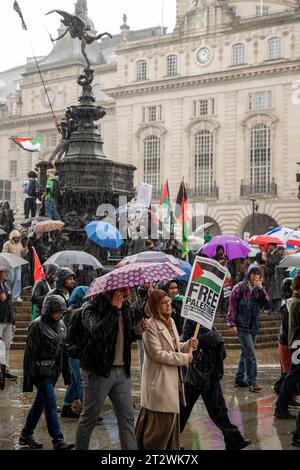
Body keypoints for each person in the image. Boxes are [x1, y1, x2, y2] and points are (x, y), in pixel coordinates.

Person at [75, 287, 147, 450]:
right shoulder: (90, 307)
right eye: (124, 290)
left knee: (127, 419)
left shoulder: (125, 307)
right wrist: (114, 309)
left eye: (129, 290)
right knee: (89, 419)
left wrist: (136, 331)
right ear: (112, 291)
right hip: (98, 371)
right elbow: (98, 332)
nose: (128, 294)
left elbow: (124, 336)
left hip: (122, 372)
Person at [135, 289, 197, 450]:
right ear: (155, 305)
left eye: (169, 302)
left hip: (172, 383)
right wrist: (184, 359)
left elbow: (174, 347)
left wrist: (187, 345)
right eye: (164, 303)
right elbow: (157, 354)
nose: (168, 305)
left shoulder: (171, 322)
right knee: (158, 430)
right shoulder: (149, 325)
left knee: (170, 428)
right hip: (159, 384)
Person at [180, 319, 251, 450]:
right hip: (195, 373)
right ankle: (169, 440)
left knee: (218, 409)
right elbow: (187, 341)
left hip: (210, 373)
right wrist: (211, 337)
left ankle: (233, 439)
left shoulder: (206, 321)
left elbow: (218, 341)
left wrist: (214, 338)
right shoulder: (190, 321)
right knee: (183, 410)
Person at [19, 295, 74, 450]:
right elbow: (29, 355)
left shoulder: (62, 325)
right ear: (49, 310)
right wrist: (28, 382)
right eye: (57, 311)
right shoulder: (36, 326)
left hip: (53, 372)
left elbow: (64, 352)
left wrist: (67, 375)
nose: (60, 314)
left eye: (62, 311)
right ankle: (58, 440)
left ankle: (26, 435)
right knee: (51, 404)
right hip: (40, 373)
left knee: (40, 404)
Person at [227, 263, 270, 392]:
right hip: (242, 325)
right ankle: (253, 382)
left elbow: (267, 304)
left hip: (254, 326)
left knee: (245, 353)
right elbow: (232, 307)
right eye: (254, 273)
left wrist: (261, 289)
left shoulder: (259, 289)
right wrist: (232, 323)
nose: (256, 276)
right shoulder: (239, 288)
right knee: (250, 354)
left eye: (258, 274)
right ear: (249, 274)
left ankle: (239, 379)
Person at [274, 274, 300, 420]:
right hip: (295, 343)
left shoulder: (294, 301)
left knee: (292, 375)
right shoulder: (293, 303)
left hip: (293, 343)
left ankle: (283, 404)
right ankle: (281, 406)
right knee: (290, 376)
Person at [0, 266, 17, 381]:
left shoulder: (7, 286)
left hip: (8, 320)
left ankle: (5, 369)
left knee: (7, 345)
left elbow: (11, 306)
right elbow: (2, 299)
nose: (6, 273)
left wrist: (14, 322)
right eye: (4, 272)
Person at [2, 230, 28, 302]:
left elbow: (22, 255)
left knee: (18, 279)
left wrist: (25, 250)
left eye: (18, 237)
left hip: (18, 263)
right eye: (15, 237)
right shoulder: (7, 243)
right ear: (12, 237)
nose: (16, 239)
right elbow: (4, 253)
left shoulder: (20, 244)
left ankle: (16, 296)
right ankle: (8, 292)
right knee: (11, 278)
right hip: (10, 264)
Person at [265, 243, 286, 315]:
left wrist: (268, 256)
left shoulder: (276, 254)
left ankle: (276, 311)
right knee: (272, 295)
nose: (268, 247)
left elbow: (274, 262)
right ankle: (273, 311)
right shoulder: (270, 254)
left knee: (277, 295)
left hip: (278, 278)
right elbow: (269, 265)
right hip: (272, 278)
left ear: (273, 246)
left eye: (269, 245)